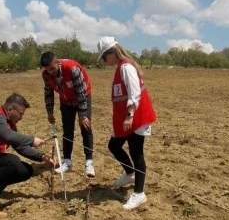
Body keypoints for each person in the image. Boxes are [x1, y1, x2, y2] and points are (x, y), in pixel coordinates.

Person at [97, 37, 157, 210]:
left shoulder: (126, 67)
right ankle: (130, 174)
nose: (103, 60)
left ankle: (139, 194)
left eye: (103, 56)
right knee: (113, 146)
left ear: (112, 52)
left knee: (136, 152)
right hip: (128, 117)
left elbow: (134, 92)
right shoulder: (120, 67)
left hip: (136, 117)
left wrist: (129, 115)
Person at [40, 51, 95, 178]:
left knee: (85, 127)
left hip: (83, 96)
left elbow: (81, 93)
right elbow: (48, 92)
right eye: (48, 70)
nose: (51, 72)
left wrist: (82, 116)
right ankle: (67, 162)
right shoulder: (46, 75)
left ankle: (89, 162)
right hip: (66, 100)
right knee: (67, 131)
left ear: (58, 62)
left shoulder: (72, 69)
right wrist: (50, 111)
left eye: (53, 68)